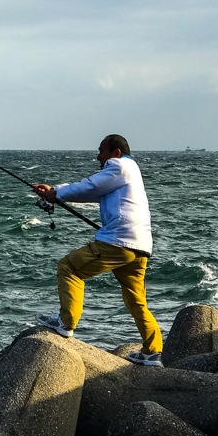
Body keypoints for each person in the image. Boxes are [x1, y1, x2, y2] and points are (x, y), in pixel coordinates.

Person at [32, 134, 163, 366]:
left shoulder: (119, 166)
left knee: (69, 267)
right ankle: (152, 351)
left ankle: (66, 323)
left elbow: (90, 185)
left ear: (116, 152)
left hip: (118, 241)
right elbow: (92, 191)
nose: (98, 156)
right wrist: (55, 191)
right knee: (137, 301)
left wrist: (55, 194)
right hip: (140, 246)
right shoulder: (130, 171)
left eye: (101, 150)